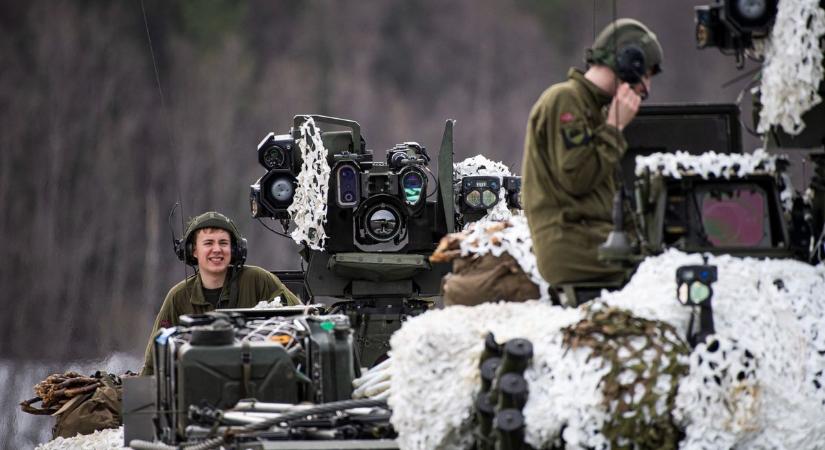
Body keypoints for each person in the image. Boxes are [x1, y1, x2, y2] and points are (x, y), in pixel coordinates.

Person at [522, 18, 663, 286]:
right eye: (645, 75)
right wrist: (614, 128)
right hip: (572, 244)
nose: (647, 88)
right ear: (627, 65)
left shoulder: (596, 109)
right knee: (662, 275)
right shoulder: (565, 99)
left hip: (596, 239)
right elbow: (577, 177)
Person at [140, 211, 301, 375]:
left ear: (235, 250)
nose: (217, 250)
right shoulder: (179, 297)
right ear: (193, 250)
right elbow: (154, 360)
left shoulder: (258, 281)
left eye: (223, 243)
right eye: (208, 243)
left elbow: (303, 321)